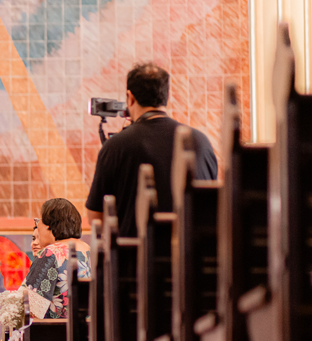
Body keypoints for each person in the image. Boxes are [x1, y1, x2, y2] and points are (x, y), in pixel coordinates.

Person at [85, 62, 218, 237]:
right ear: (166, 96)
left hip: (135, 260)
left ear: (130, 97)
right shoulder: (200, 142)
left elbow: (96, 217)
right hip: (191, 259)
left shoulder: (116, 146)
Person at [21, 198, 92, 319]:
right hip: (87, 331)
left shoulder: (52, 253)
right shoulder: (88, 250)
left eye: (39, 221)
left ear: (49, 224)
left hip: (55, 334)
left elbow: (28, 307)